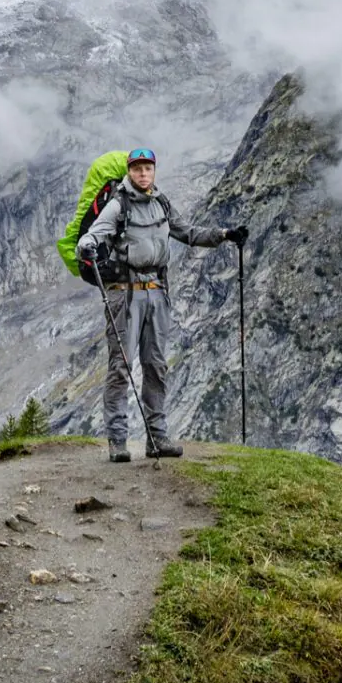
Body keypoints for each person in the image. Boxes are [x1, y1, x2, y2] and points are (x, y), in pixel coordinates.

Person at [74, 146, 246, 462]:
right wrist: (86, 248)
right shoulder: (117, 206)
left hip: (157, 292)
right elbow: (93, 236)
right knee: (120, 367)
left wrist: (225, 234)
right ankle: (118, 441)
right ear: (129, 172)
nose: (143, 174)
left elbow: (189, 233)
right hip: (123, 294)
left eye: (147, 169)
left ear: (154, 171)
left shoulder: (162, 203)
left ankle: (158, 439)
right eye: (137, 169)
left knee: (155, 365)